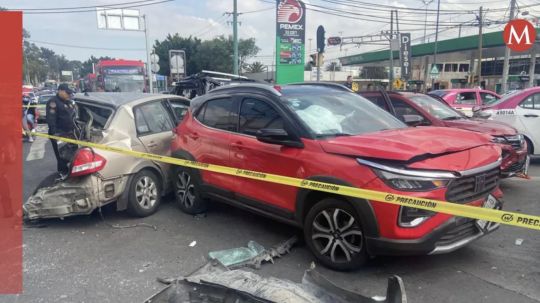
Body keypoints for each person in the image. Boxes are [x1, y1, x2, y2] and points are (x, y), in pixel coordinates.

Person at [46, 83, 76, 176]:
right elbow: (51, 119)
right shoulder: (53, 102)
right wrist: (55, 134)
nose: (68, 94)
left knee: (71, 155)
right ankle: (62, 175)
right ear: (60, 91)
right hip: (59, 133)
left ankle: (70, 173)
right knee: (62, 157)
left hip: (70, 133)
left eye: (69, 93)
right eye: (67, 93)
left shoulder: (67, 102)